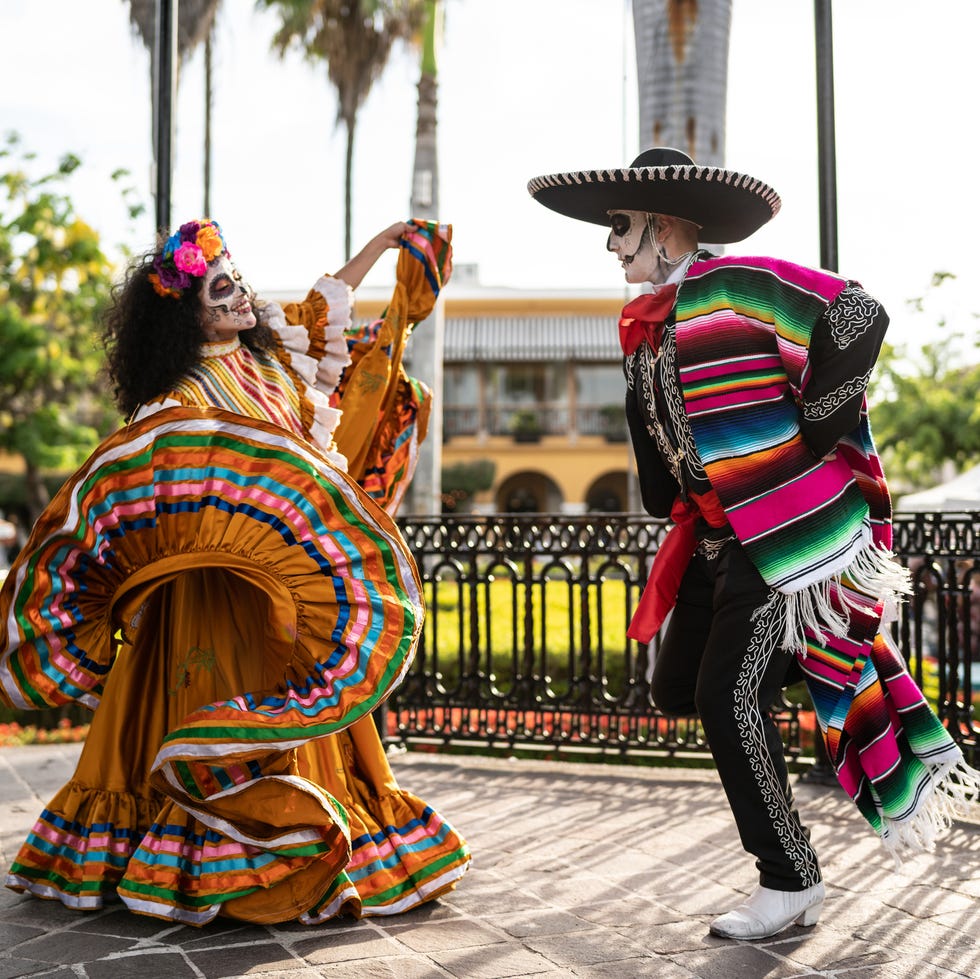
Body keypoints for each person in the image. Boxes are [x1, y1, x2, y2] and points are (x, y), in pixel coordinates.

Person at [527, 148, 980, 940]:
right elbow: (658, 441)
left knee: (725, 696)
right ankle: (821, 656)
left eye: (620, 228)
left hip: (777, 535)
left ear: (667, 229)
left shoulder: (738, 284)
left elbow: (857, 315)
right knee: (677, 689)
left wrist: (818, 419)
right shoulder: (643, 328)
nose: (610, 245)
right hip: (712, 538)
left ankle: (790, 878)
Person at [0, 217, 470, 925]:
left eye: (238, 282)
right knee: (210, 704)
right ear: (186, 313)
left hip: (278, 597)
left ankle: (306, 835)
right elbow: (151, 480)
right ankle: (217, 853)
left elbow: (328, 300)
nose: (240, 296)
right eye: (222, 289)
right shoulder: (178, 401)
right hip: (209, 602)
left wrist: (382, 243)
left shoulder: (274, 360)